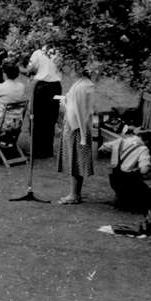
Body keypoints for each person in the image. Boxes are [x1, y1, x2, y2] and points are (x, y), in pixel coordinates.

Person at [101, 126, 151, 234]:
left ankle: (123, 201)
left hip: (115, 180)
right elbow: (144, 170)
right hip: (129, 183)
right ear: (147, 141)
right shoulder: (143, 149)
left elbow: (103, 148)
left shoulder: (120, 141)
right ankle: (133, 204)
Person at [56, 65, 97, 205]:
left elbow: (79, 111)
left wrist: (65, 104)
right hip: (78, 127)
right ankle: (76, 193)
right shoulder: (83, 84)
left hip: (77, 128)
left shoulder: (81, 86)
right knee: (76, 160)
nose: (69, 71)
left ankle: (74, 194)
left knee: (75, 160)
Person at [24, 46, 62, 160]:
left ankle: (37, 150)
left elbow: (31, 68)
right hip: (56, 86)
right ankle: (47, 149)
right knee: (51, 117)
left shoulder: (38, 53)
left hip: (42, 86)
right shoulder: (58, 52)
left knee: (38, 117)